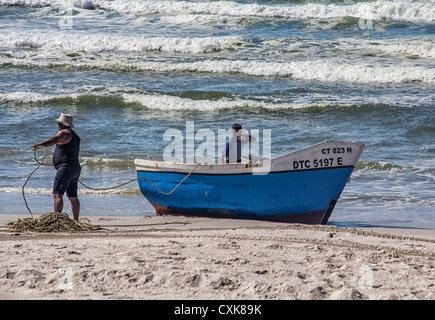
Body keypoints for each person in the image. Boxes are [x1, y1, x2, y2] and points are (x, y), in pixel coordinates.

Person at [31, 113, 81, 221]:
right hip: (75, 168)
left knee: (57, 194)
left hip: (65, 168)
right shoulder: (75, 135)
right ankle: (76, 221)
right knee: (73, 197)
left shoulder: (64, 133)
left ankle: (57, 221)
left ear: (61, 124)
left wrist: (40, 144)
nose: (58, 124)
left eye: (59, 122)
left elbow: (54, 140)